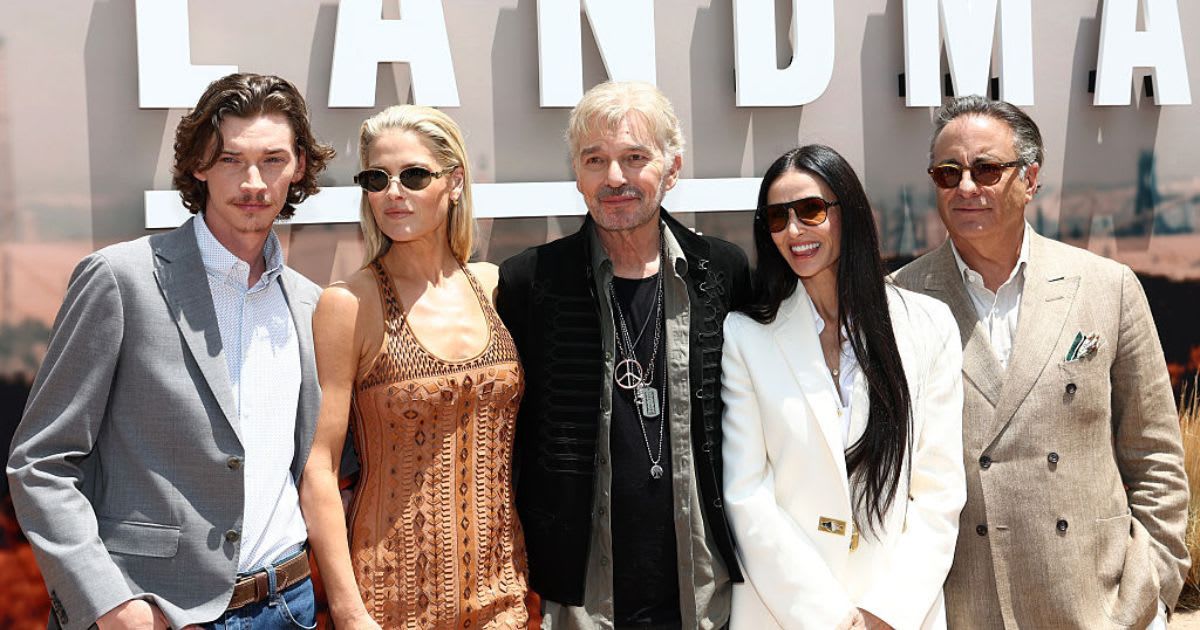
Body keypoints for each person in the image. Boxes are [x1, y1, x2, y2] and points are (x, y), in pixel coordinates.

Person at [6, 72, 334, 629]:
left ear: (299, 166)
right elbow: (40, 462)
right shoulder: (120, 279)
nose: (253, 181)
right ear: (199, 165)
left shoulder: (308, 305)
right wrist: (108, 602)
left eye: (273, 159)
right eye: (231, 159)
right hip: (158, 613)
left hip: (289, 606)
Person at [892, 95, 1190, 628]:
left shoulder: (1106, 286)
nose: (966, 187)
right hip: (965, 607)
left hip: (1095, 606)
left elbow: (1156, 459)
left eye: (985, 169)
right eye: (947, 172)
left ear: (1030, 179)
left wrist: (1149, 595)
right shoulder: (899, 300)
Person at [495, 80, 750, 629]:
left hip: (705, 593)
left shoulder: (722, 273)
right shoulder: (530, 282)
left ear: (672, 167)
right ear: (577, 173)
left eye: (635, 158)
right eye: (596, 160)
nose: (615, 178)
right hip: (582, 598)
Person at [299, 104, 529, 629]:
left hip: (502, 594)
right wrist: (349, 611)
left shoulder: (495, 287)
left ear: (454, 182)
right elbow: (319, 468)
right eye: (376, 179)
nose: (393, 192)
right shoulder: (348, 305)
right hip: (390, 599)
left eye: (414, 175)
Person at [720, 145, 966, 630]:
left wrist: (885, 612)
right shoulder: (745, 337)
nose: (794, 231)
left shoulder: (927, 324)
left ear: (847, 212)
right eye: (776, 217)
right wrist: (829, 619)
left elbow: (939, 491)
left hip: (901, 615)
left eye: (811, 210)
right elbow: (747, 495)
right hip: (786, 615)